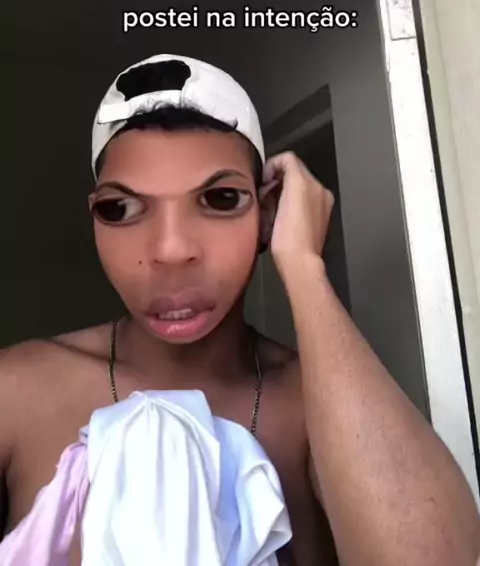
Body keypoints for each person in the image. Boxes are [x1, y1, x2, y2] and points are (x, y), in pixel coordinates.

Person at [0, 53, 478, 566]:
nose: (171, 251)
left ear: (268, 213)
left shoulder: (316, 408)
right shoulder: (17, 389)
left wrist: (304, 268)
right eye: (120, 208)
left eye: (221, 199)